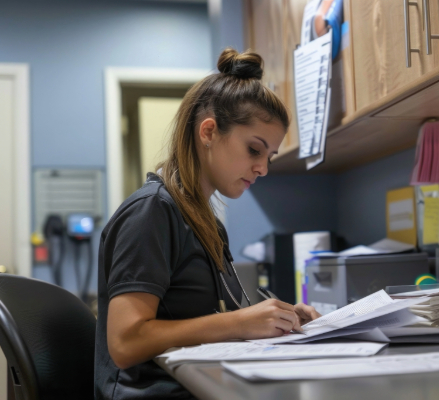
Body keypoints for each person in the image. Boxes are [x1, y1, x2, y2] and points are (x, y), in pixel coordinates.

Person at [95, 48, 321, 400]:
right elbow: (125, 342)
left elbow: (207, 321)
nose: (263, 167)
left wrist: (279, 318)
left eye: (269, 157)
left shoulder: (204, 222)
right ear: (209, 131)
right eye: (254, 150)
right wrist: (239, 323)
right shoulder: (152, 212)